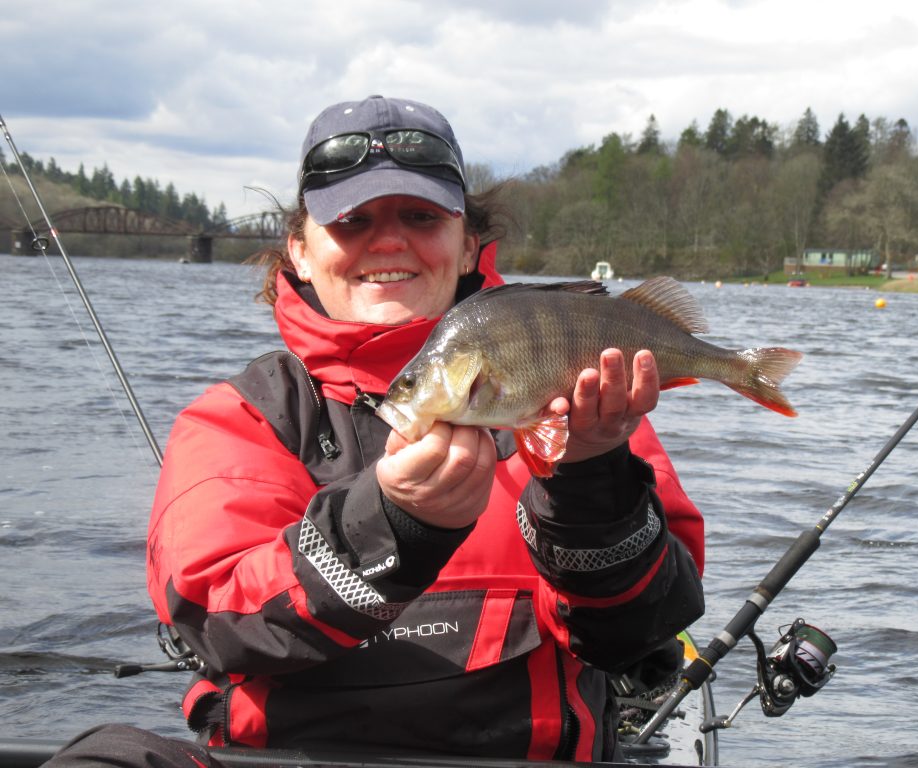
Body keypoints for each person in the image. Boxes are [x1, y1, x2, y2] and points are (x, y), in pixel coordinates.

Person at [49, 95, 705, 765]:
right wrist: (393, 524)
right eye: (351, 220)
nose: (389, 242)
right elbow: (220, 625)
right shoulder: (240, 420)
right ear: (299, 251)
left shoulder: (578, 407)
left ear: (468, 243)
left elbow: (640, 632)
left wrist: (592, 480)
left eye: (421, 217)